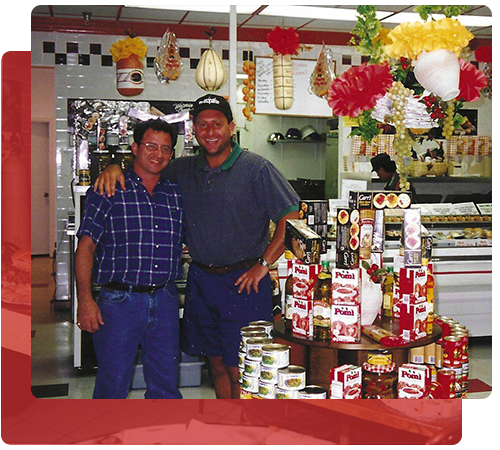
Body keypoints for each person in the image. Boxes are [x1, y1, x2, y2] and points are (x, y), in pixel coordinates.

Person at [94, 94, 300, 399]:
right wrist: (114, 167)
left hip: (244, 283)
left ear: (231, 127)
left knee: (241, 368)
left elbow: (291, 217)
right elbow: (147, 166)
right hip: (202, 281)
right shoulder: (183, 169)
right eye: (202, 125)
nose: (210, 132)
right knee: (215, 366)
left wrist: (264, 264)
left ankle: (247, 438)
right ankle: (224, 430)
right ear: (194, 129)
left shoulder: (256, 168)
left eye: (217, 124)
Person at [76, 119, 184, 399]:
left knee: (166, 386)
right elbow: (85, 247)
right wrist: (85, 301)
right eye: (150, 146)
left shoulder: (174, 195)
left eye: (165, 148)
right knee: (113, 385)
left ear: (171, 154)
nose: (157, 154)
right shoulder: (108, 190)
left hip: (165, 300)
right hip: (120, 303)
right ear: (135, 147)